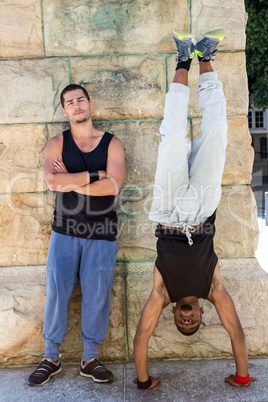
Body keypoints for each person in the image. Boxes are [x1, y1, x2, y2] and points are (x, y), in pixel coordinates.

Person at [133, 29, 256, 390]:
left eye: (182, 324)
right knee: (217, 134)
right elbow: (235, 331)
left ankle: (184, 58)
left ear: (175, 314)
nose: (187, 320)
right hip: (203, 209)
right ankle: (206, 54)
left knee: (173, 138)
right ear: (202, 313)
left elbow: (142, 336)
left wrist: (144, 382)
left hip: (169, 212)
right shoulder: (213, 287)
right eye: (193, 323)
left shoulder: (163, 293)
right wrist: (242, 376)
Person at [28, 84, 125, 386]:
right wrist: (94, 176)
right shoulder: (57, 142)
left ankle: (90, 358)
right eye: (70, 102)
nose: (76, 105)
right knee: (57, 293)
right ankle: (50, 357)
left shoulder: (112, 144)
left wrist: (70, 180)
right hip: (65, 232)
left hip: (101, 232)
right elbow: (52, 182)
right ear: (64, 110)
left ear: (89, 103)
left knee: (97, 296)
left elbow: (113, 187)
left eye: (80, 100)